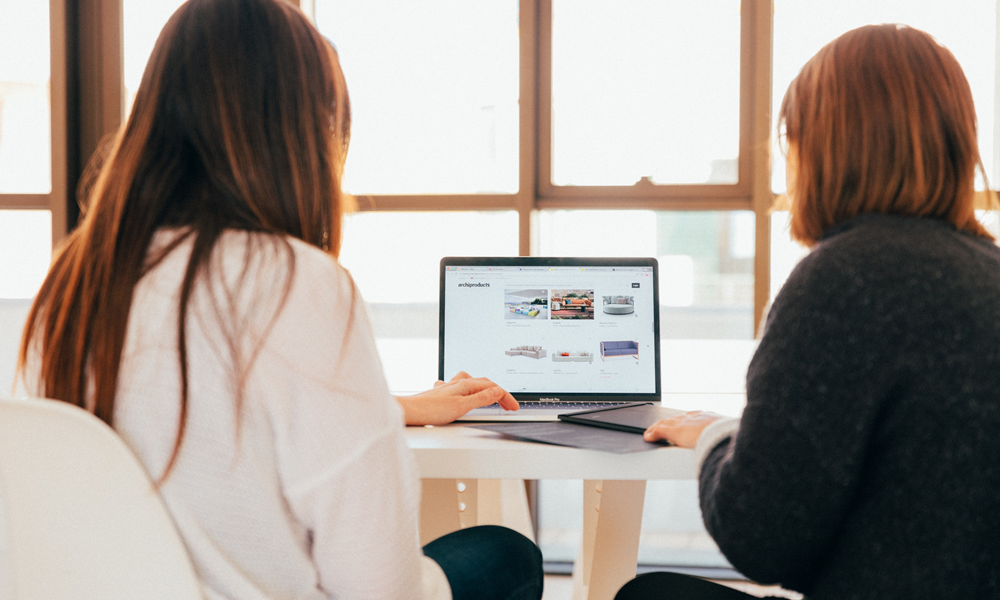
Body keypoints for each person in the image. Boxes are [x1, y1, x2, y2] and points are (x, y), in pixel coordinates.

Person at [17, 1, 541, 598]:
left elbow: (198, 425)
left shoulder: (77, 279)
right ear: (300, 132)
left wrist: (385, 407)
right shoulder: (297, 282)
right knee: (506, 555)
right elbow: (379, 586)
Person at [620, 24, 1000, 600]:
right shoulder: (988, 268)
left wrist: (717, 437)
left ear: (821, 146)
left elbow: (761, 538)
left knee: (647, 595)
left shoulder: (846, 276)